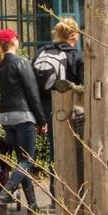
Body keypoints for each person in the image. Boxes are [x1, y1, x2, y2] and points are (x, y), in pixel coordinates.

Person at [0, 28, 47, 215]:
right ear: (13, 41)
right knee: (27, 160)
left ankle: (32, 205)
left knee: (22, 161)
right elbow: (32, 92)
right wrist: (42, 120)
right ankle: (3, 197)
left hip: (6, 117)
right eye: (17, 37)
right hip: (23, 116)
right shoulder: (21, 62)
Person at [32, 18, 84, 204]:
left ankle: (56, 193)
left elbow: (32, 82)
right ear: (75, 35)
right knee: (75, 151)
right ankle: (73, 193)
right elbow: (84, 86)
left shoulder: (43, 51)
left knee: (56, 150)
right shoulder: (77, 56)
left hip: (45, 108)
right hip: (69, 110)